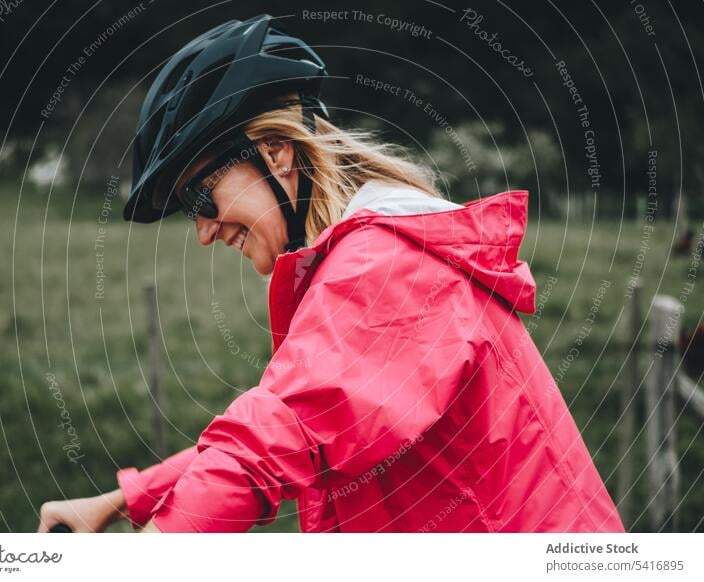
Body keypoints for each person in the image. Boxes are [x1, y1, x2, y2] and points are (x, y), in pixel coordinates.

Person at [38, 14, 625, 533]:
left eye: (202, 198)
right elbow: (296, 411)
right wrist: (121, 500)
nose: (204, 230)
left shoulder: (386, 266)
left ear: (275, 152)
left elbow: (277, 435)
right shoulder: (367, 257)